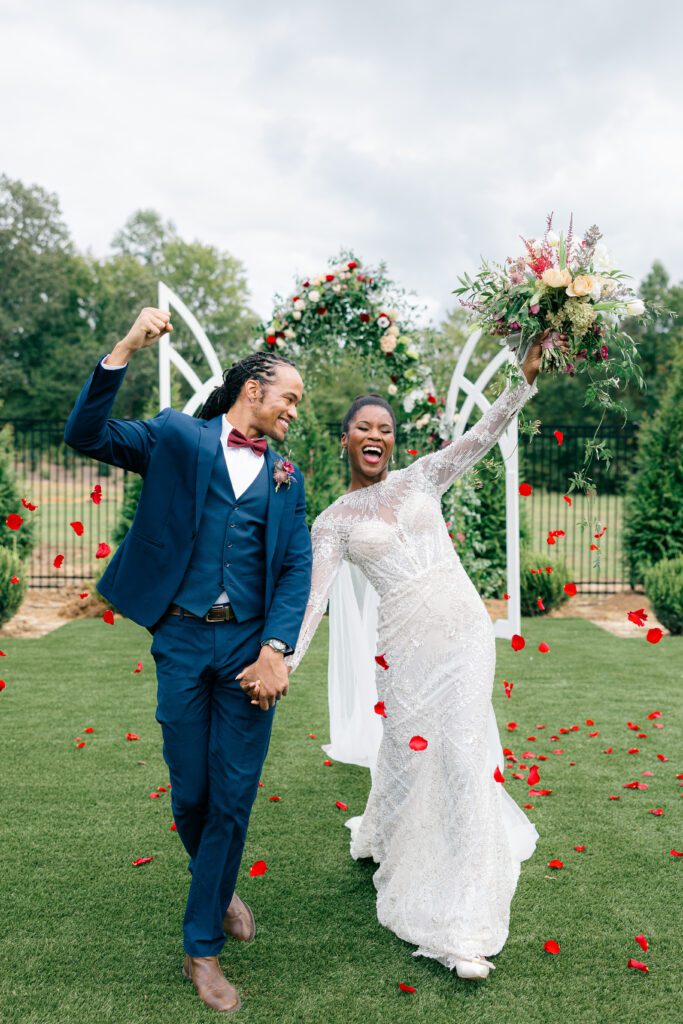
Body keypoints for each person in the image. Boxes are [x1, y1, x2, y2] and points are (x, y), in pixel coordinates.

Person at [244, 335, 561, 981]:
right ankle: (385, 832)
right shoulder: (333, 520)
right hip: (406, 647)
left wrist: (522, 380)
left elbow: (481, 433)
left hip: (466, 635)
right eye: (363, 426)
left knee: (463, 754)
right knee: (409, 750)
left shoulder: (423, 477)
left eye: (384, 428)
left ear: (392, 440)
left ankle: (460, 919)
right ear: (345, 438)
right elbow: (311, 603)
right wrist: (280, 664)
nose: (375, 435)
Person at [64, 307, 312, 1013]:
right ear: (254, 390)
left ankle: (200, 948)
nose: (295, 409)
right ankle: (219, 882)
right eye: (289, 396)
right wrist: (125, 348)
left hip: (247, 648)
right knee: (191, 792)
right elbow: (85, 435)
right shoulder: (176, 436)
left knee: (233, 796)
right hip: (178, 637)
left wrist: (274, 649)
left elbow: (295, 564)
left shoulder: (288, 474)